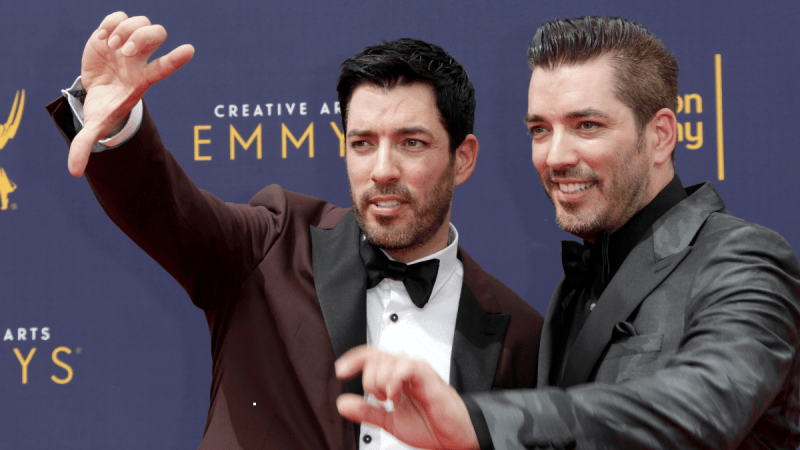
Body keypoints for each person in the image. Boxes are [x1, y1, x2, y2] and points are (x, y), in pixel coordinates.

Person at [46, 12, 544, 450]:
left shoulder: (521, 336)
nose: (382, 169)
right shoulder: (271, 244)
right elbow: (166, 209)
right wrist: (115, 124)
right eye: (363, 143)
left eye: (411, 143)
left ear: (463, 158)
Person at [335, 15, 800, 450]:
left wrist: (481, 421)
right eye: (541, 130)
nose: (555, 156)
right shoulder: (574, 289)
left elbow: (704, 406)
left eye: (587, 126)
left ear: (660, 136)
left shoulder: (742, 258)